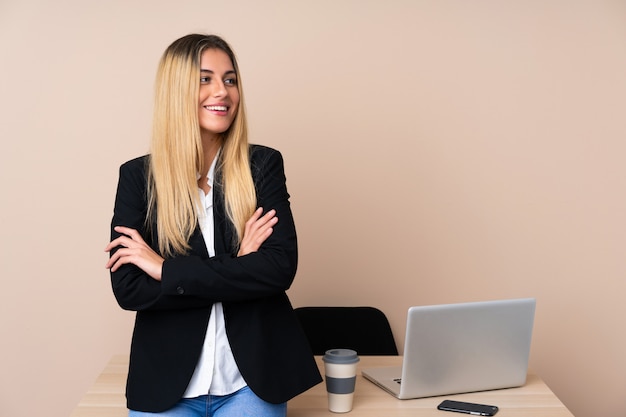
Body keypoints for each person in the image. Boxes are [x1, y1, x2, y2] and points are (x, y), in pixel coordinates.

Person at [104, 33, 322, 416]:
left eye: (230, 79)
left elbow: (278, 269)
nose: (222, 91)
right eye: (205, 78)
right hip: (165, 386)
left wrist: (165, 270)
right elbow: (130, 290)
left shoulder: (263, 166)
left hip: (250, 385)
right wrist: (239, 265)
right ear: (176, 90)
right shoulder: (138, 178)